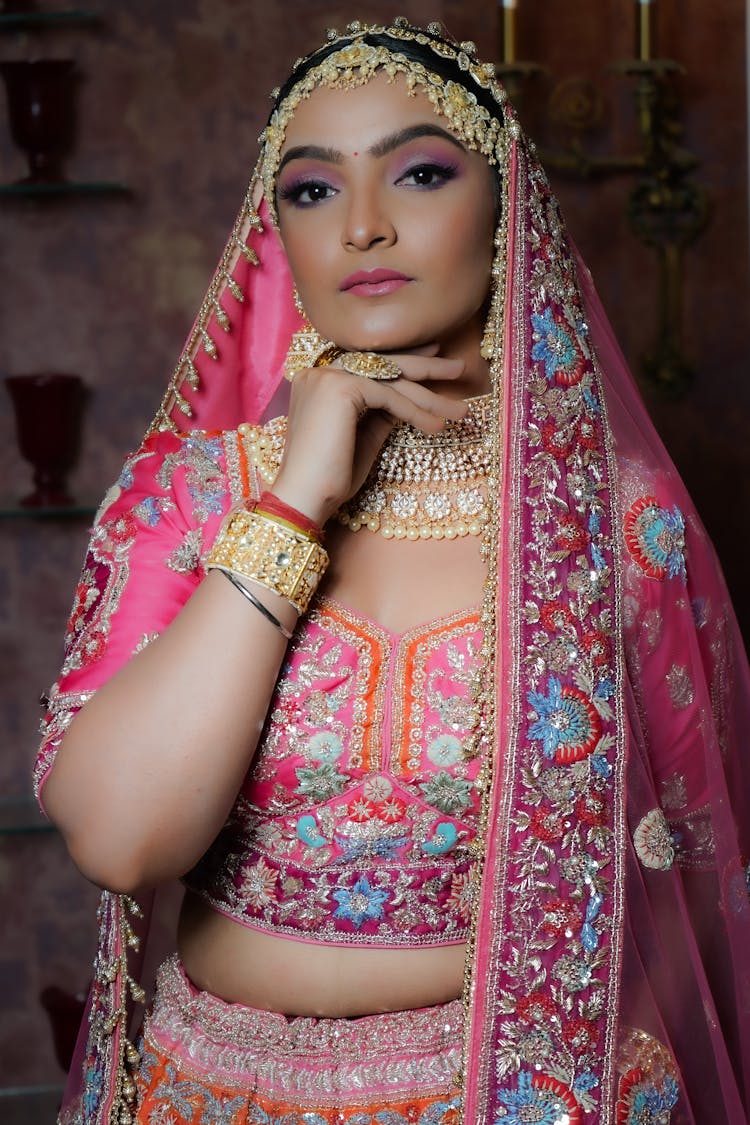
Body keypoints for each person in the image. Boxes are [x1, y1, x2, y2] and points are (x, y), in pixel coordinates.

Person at [33, 18, 750, 1125]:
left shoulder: (612, 521)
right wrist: (300, 497)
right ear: (278, 236)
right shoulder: (193, 497)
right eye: (312, 191)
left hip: (514, 1098)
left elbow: (693, 884)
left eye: (420, 172)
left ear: (506, 209)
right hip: (204, 1096)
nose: (364, 227)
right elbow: (122, 841)